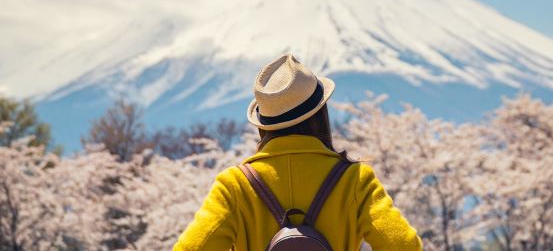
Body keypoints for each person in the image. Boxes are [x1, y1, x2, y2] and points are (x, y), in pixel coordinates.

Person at [172, 53, 422, 251]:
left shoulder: (234, 186)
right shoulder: (355, 179)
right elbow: (402, 246)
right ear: (320, 114)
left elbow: (192, 247)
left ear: (264, 125)